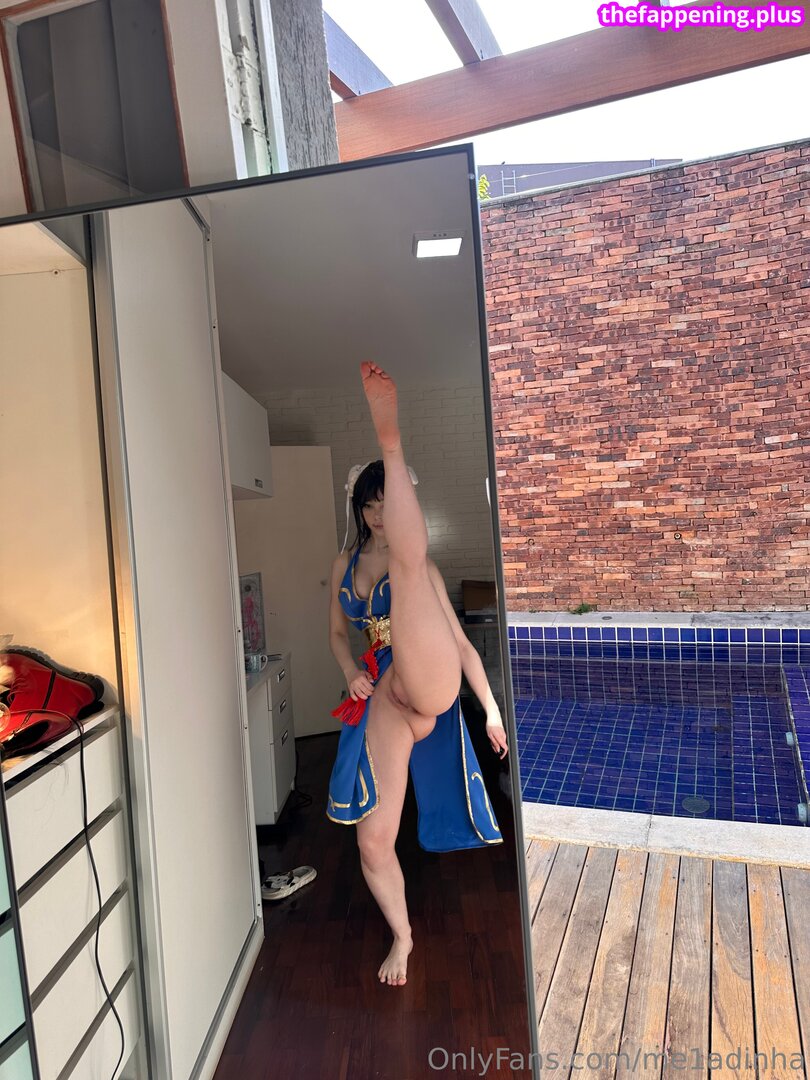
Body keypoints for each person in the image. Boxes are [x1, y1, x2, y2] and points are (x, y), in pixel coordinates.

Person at [326, 361, 508, 988]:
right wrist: (349, 670)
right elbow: (336, 634)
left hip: (426, 679)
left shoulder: (420, 566)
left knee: (408, 569)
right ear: (359, 508)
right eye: (371, 503)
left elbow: (461, 645)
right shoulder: (344, 563)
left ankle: (391, 441)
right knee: (372, 843)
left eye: (388, 500)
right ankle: (403, 936)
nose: (378, 512)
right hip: (382, 697)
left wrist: (490, 709)